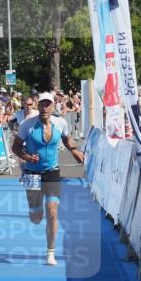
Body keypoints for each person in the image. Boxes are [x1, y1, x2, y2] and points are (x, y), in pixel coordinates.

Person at [11, 92, 85, 266]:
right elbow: (15, 147)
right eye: (42, 104)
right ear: (38, 106)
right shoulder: (27, 125)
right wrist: (28, 157)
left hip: (52, 171)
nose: (44, 108)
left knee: (52, 210)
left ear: (53, 107)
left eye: (48, 104)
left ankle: (50, 253)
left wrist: (74, 151)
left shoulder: (61, 123)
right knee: (37, 217)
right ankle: (34, 211)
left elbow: (67, 140)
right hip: (31, 173)